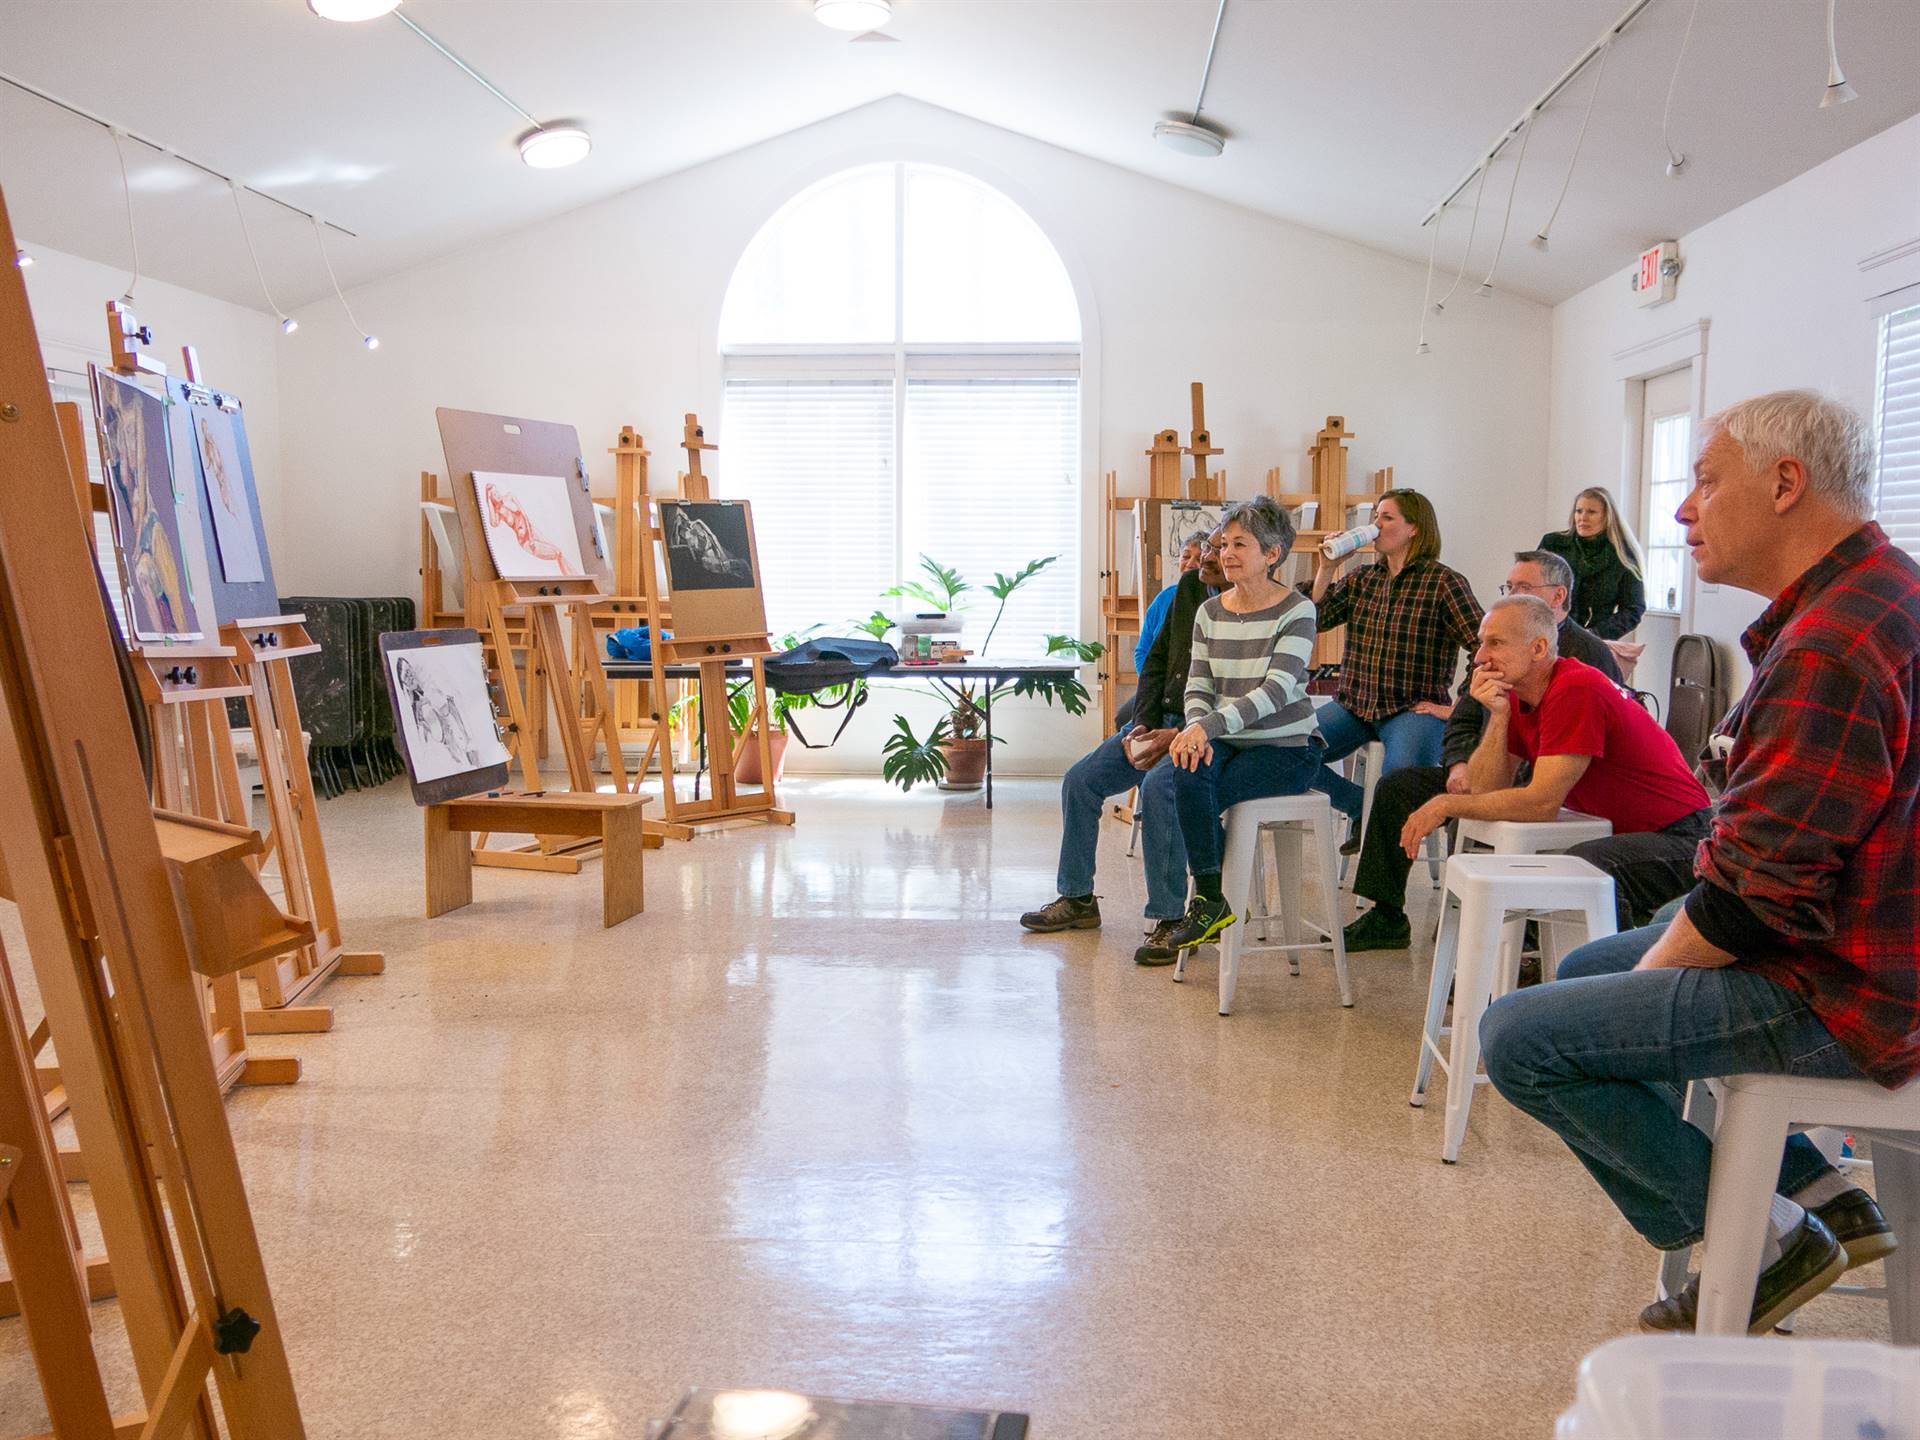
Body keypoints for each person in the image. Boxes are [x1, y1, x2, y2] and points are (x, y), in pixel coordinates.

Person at [1481, 391, 1920, 1336]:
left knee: (1522, 1037)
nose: (1683, 510)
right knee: (1587, 969)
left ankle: (1762, 1243)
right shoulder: (1884, 588)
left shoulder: (1831, 647)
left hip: (1848, 992)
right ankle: (1823, 1191)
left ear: (1786, 485)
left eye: (1706, 482)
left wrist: (1648, 995)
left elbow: (1752, 905)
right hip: (1867, 952)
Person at [1343, 550, 1622, 952]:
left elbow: (1566, 764)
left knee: (1471, 807)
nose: (1512, 594)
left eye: (1523, 587)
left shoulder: (1588, 657)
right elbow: (1463, 717)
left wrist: (1465, 793)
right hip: (1485, 760)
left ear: (1558, 596)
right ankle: (1386, 913)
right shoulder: (1498, 649)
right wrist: (1457, 764)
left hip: (1544, 780)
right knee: (1397, 786)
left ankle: (1488, 928)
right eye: (1509, 586)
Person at [1396, 595, 1710, 931]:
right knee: (1559, 864)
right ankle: (1534, 963)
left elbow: (1541, 804)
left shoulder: (1575, 687)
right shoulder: (1520, 695)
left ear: (1538, 648)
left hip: (1685, 837)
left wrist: (1445, 804)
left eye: (1495, 643)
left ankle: (1612, 974)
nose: (1480, 657)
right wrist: (1498, 716)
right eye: (1481, 644)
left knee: (1582, 866)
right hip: (1634, 833)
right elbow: (1484, 789)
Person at [1139, 498, 1323, 963]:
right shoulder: (1210, 612)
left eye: (1240, 544)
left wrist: (1206, 727)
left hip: (1286, 747)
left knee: (1200, 794)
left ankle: (1209, 901)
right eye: (1224, 544)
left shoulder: (1297, 611)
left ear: (1273, 553)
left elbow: (1278, 690)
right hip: (1227, 739)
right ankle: (1210, 899)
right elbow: (1198, 685)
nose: (1226, 553)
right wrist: (1197, 726)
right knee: (1186, 772)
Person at [1021, 531, 1225, 949]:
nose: (1206, 555)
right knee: (1080, 780)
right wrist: (1142, 723)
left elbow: (1226, 697)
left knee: (1157, 792)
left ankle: (1169, 917)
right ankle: (1077, 897)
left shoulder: (1249, 608)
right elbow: (1156, 661)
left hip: (1201, 730)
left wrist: (1179, 732)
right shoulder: (1188, 588)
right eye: (1208, 547)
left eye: (1221, 548)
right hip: (1160, 720)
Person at [1304, 489, 1483, 847]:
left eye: (1387, 517)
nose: (1377, 525)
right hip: (1355, 705)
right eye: (1377, 517)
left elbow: (1484, 648)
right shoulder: (1363, 579)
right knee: (1288, 752)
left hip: (1411, 709)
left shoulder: (1444, 582)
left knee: (1399, 780)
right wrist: (1327, 567)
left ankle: (1381, 858)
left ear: (1414, 528)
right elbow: (1312, 618)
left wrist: (1457, 708)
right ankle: (1359, 808)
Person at [1539, 486, 1646, 638]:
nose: (1583, 517)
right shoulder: (1552, 544)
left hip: (1594, 640)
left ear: (1607, 516)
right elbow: (1531, 588)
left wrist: (1595, 634)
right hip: (1549, 635)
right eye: (1579, 511)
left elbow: (1633, 609)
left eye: (1591, 512)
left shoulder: (1623, 555)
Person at [1135, 530, 1209, 672]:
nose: (1190, 564)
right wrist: (1150, 685)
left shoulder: (1215, 600)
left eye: (1199, 559)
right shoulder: (1164, 598)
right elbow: (1143, 651)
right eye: (1186, 556)